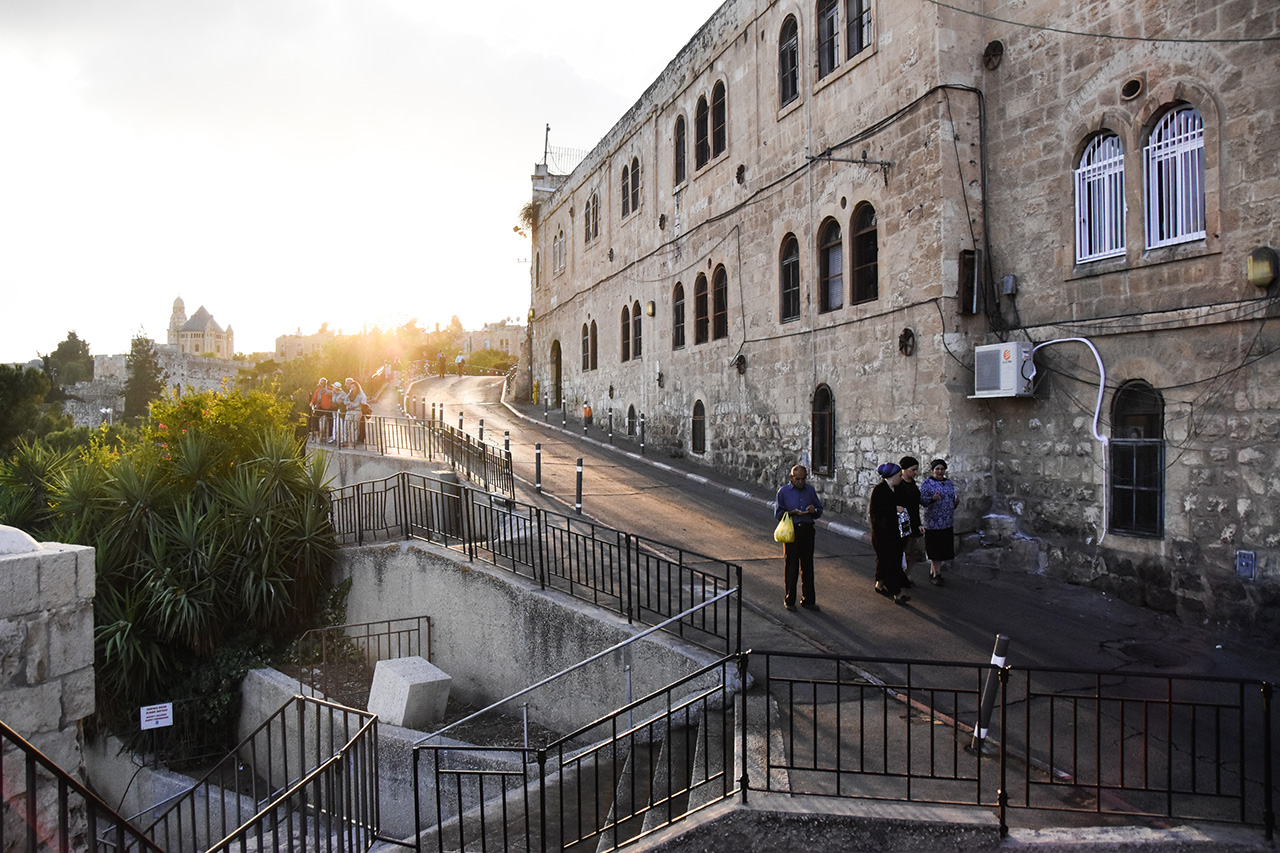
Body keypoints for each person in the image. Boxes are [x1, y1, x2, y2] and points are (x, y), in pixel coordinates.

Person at [774, 464, 824, 612]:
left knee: (808, 565)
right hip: (792, 531)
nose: (801, 482)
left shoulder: (810, 491)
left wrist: (813, 510)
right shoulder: (783, 492)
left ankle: (808, 600)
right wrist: (792, 513)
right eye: (797, 479)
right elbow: (778, 513)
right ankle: (789, 599)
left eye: (803, 479)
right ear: (791, 478)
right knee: (792, 565)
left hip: (807, 530)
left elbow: (819, 510)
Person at [869, 462, 912, 605]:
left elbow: (906, 503)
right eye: (899, 476)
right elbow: (876, 513)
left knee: (884, 561)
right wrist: (894, 509)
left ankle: (879, 585)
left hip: (896, 534)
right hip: (883, 535)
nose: (901, 478)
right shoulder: (879, 491)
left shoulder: (898, 489)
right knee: (890, 563)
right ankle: (897, 593)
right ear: (892, 477)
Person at [919, 458, 959, 586]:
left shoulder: (948, 483)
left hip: (946, 522)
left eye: (942, 469)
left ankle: (934, 572)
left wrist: (955, 503)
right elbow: (923, 501)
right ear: (933, 470)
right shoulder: (927, 483)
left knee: (942, 549)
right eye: (937, 469)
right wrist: (932, 499)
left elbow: (952, 499)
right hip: (933, 522)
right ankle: (937, 574)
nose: (940, 471)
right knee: (935, 549)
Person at [895, 455, 924, 587]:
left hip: (914, 520)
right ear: (904, 470)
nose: (915, 473)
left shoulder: (913, 484)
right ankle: (900, 575)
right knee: (904, 550)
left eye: (916, 470)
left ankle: (906, 573)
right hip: (903, 522)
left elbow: (916, 504)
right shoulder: (899, 484)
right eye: (913, 470)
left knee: (914, 552)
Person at [309, 377, 334, 442]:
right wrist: (311, 403)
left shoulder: (329, 389)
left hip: (328, 408)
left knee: (331, 421)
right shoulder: (317, 391)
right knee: (315, 417)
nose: (321, 385)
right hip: (320, 407)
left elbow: (332, 394)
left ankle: (330, 435)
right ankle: (316, 431)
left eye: (323, 383)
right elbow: (314, 399)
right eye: (321, 383)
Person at [344, 378, 368, 446]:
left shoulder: (360, 394)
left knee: (355, 427)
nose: (352, 388)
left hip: (356, 411)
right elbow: (345, 401)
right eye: (351, 387)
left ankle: (354, 441)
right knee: (346, 426)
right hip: (349, 411)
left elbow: (358, 403)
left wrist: (351, 405)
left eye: (353, 386)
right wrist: (350, 403)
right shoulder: (349, 393)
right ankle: (345, 440)